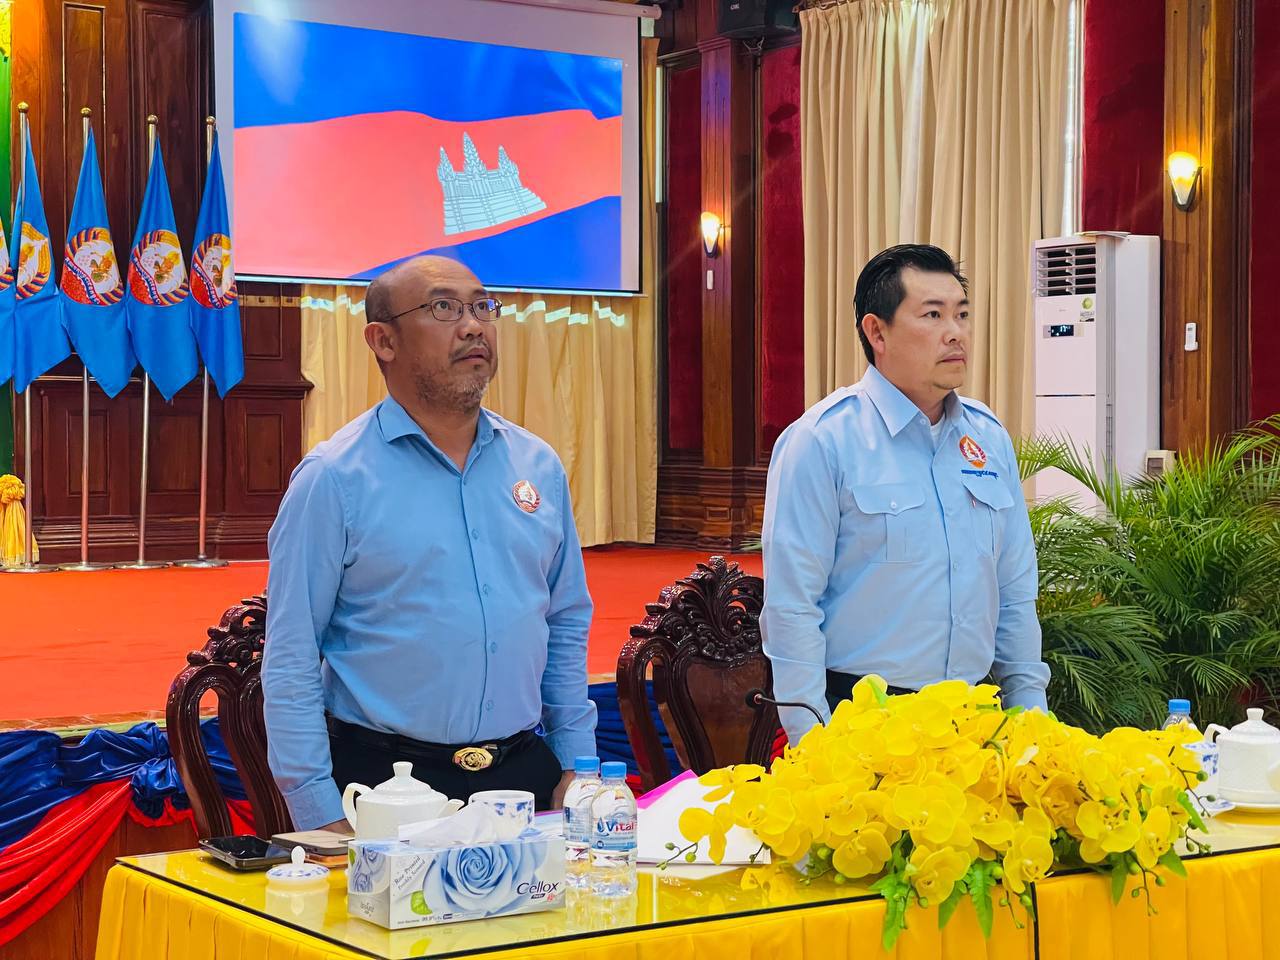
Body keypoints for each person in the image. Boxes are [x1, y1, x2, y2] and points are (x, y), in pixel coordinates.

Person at [262, 255, 596, 832]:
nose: (473, 327)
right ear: (383, 340)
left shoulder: (537, 465)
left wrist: (574, 762)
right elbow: (291, 654)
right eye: (444, 308)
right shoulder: (333, 479)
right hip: (384, 789)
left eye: (482, 307)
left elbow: (564, 620)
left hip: (525, 777)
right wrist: (317, 809)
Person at [760, 244, 1049, 745]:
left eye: (961, 314)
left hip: (973, 720)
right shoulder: (823, 441)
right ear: (877, 332)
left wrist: (1031, 726)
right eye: (933, 315)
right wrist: (814, 744)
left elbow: (1015, 593)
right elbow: (792, 607)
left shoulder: (987, 437)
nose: (955, 333)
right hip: (863, 721)